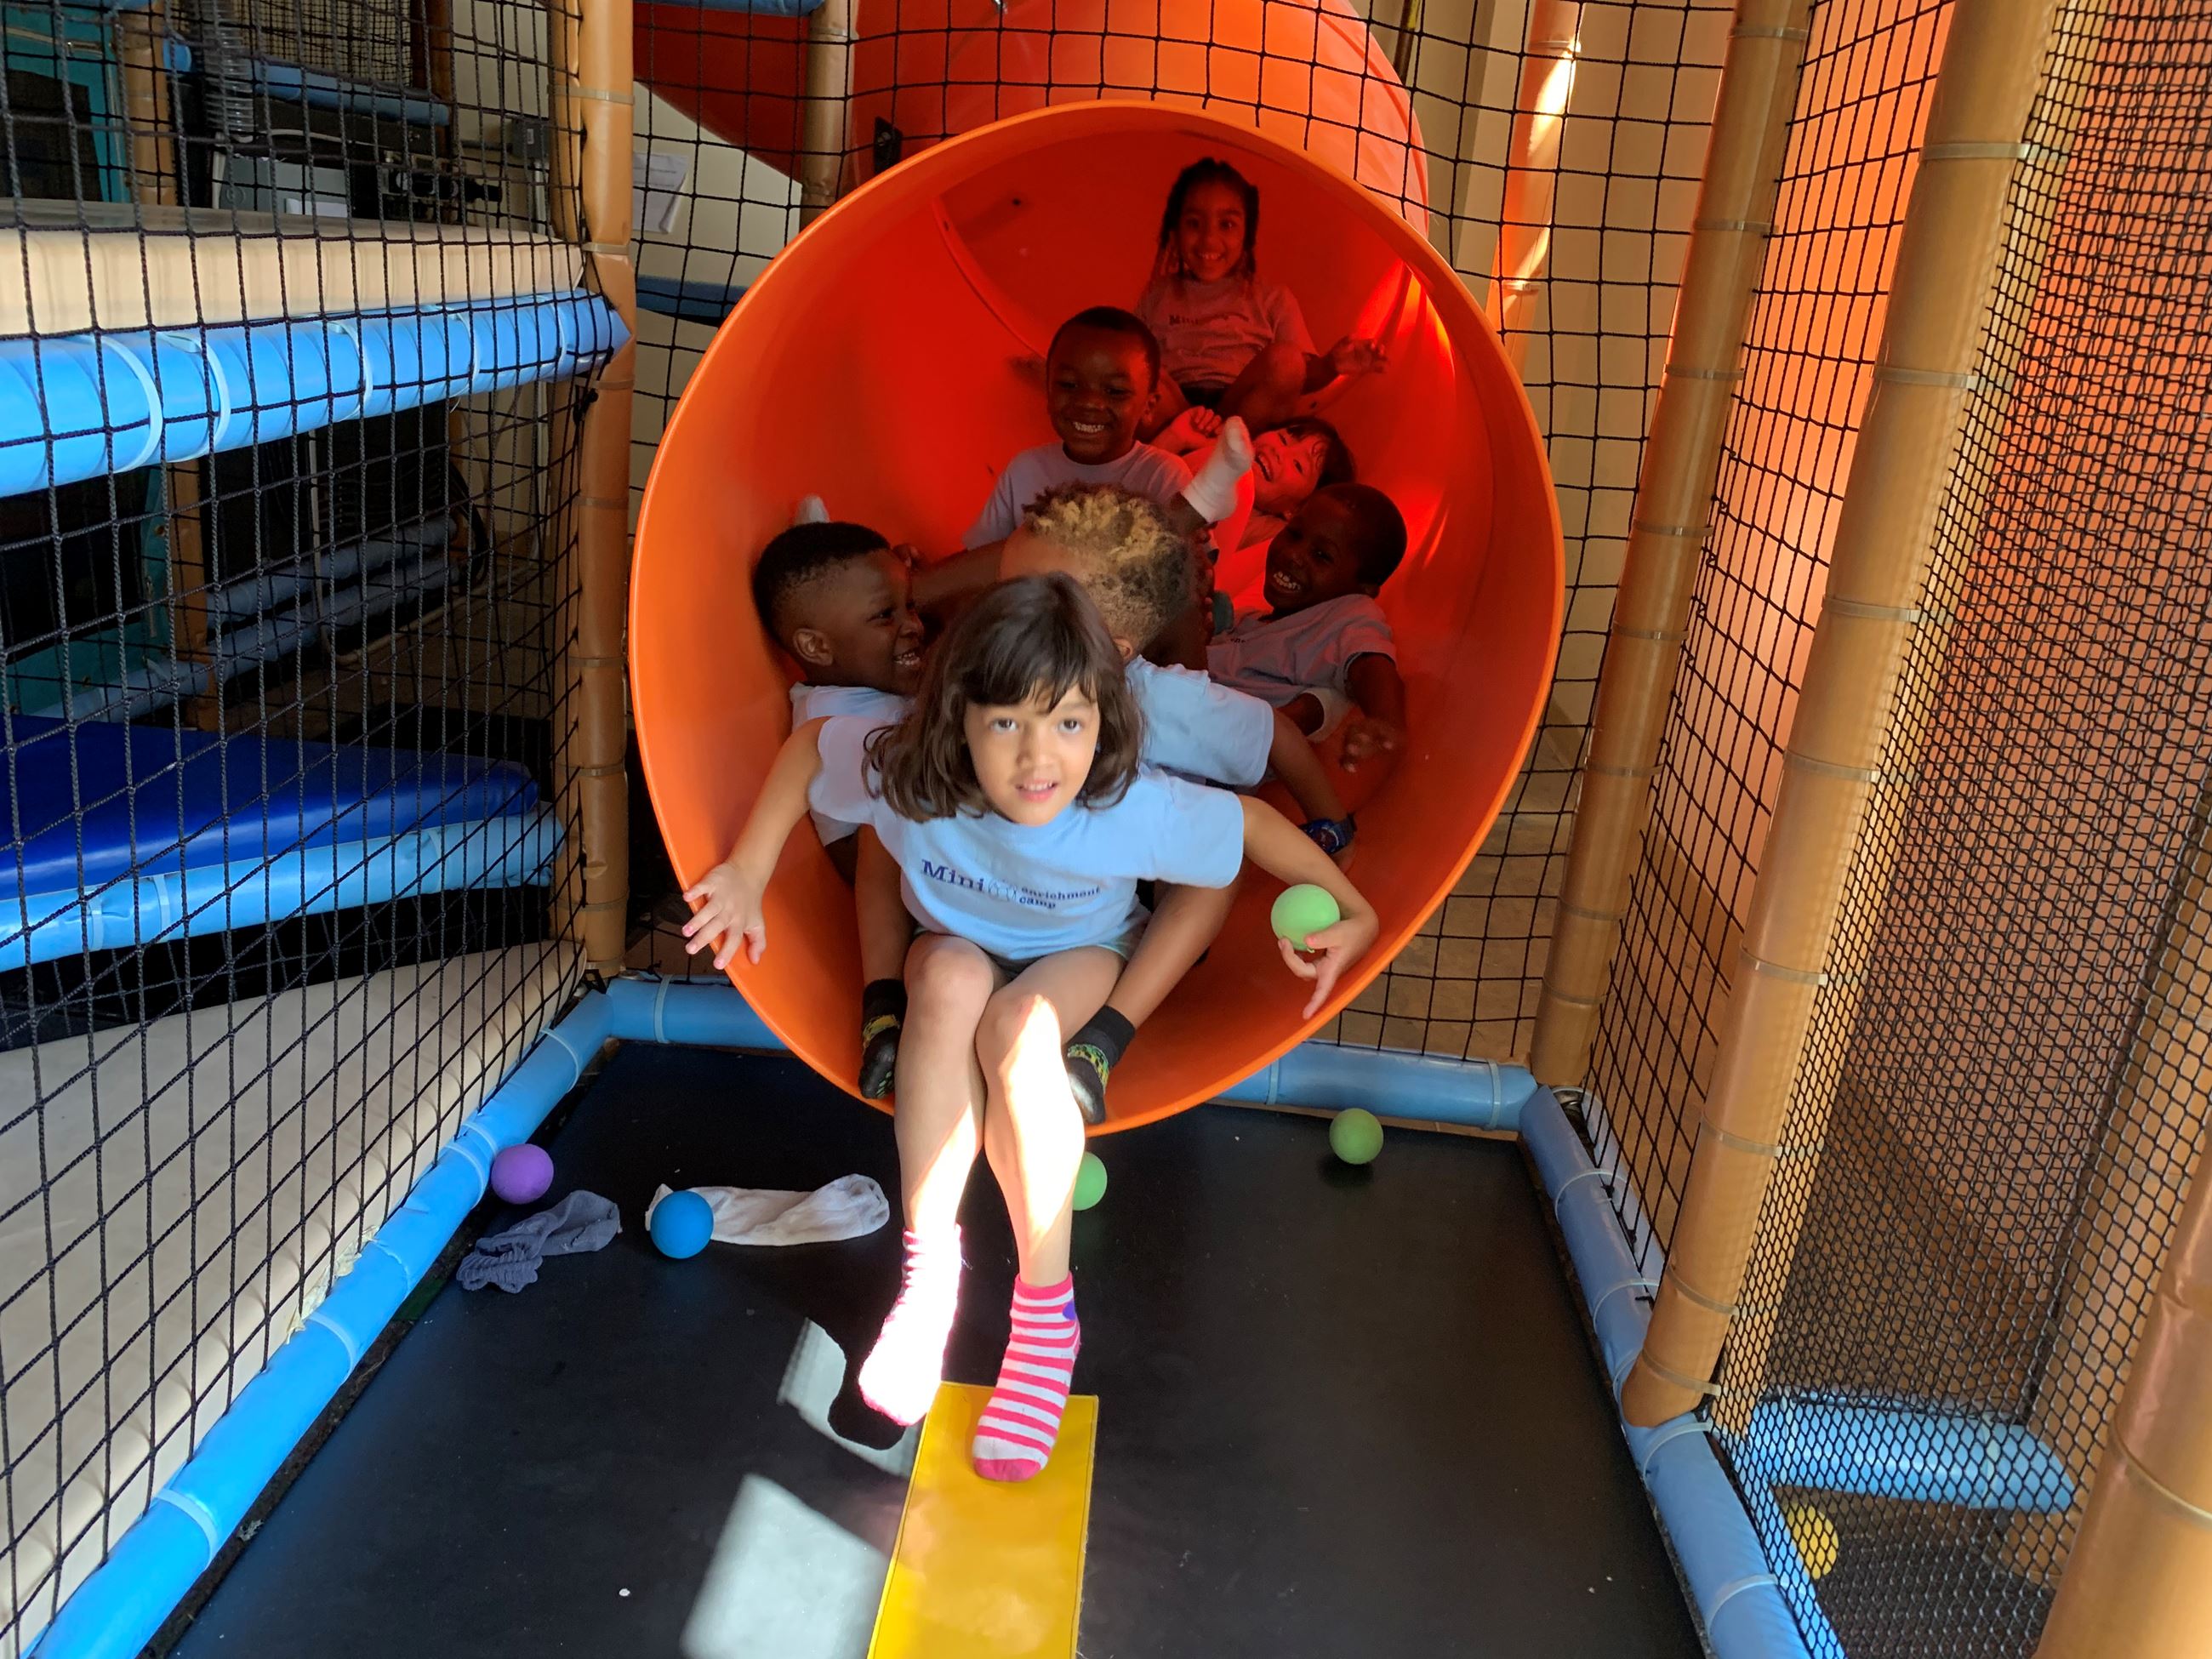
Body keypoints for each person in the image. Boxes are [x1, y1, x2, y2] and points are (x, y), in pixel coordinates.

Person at [681, 575, 1377, 1481]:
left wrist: (1353, 912)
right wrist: (745, 867)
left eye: (1068, 723)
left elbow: (1246, 826)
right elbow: (812, 750)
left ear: (1103, 721)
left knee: (1019, 1026)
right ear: (958, 718)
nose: (1037, 758)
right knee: (944, 976)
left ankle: (1044, 1315)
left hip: (1079, 952)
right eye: (1006, 723)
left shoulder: (1125, 805)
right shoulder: (912, 772)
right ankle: (929, 1283)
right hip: (956, 940)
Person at [996, 483, 1356, 1119]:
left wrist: (1328, 821)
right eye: (1002, 597)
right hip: (1040, 893)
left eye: (1029, 606)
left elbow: (1276, 733)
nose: (1002, 620)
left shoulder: (1160, 702)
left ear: (1116, 644)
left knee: (1215, 864)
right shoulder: (987, 686)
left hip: (1134, 900)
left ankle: (1107, 1039)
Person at [750, 518, 925, 1093]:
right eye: (885, 616)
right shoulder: (837, 719)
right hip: (908, 886)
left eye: (909, 606)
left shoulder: (863, 688)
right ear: (816, 646)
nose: (913, 626)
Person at [1136, 157, 1385, 442]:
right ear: (1175, 231)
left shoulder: (1271, 298)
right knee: (1138, 367)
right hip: (1176, 413)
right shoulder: (1158, 294)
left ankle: (1221, 450)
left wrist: (1331, 365)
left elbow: (1301, 377)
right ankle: (1200, 452)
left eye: (1226, 225)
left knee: (1289, 361)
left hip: (1244, 413)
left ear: (1247, 234)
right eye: (1194, 224)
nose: (1209, 240)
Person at [1209, 483, 1410, 774]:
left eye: (1321, 556)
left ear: (1362, 588)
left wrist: (1386, 720)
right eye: (1294, 534)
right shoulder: (1247, 620)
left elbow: (1370, 663)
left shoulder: (1345, 615)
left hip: (1210, 749)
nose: (1293, 555)